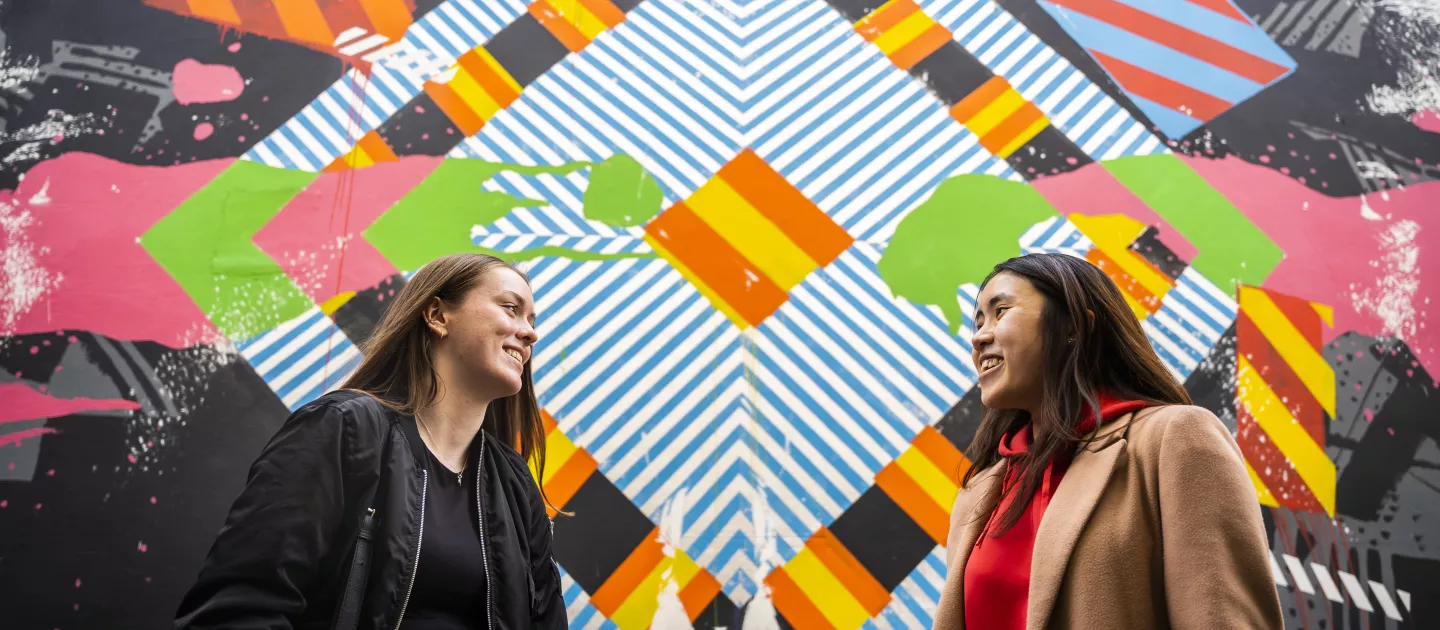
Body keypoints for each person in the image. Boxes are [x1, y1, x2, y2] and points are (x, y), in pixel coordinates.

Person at [175, 253, 567, 629]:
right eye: (510, 308)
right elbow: (242, 606)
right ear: (437, 315)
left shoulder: (515, 485)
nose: (530, 331)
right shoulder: (344, 428)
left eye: (532, 319)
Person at [933, 254, 1281, 629]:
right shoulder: (980, 491)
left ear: (1075, 327)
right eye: (978, 320)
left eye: (1001, 311)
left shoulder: (1174, 440)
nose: (979, 336)